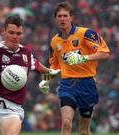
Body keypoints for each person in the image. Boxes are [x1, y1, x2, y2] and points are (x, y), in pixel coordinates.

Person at [0, 15, 59, 135]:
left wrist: (49, 72)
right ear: (4, 31)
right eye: (11, 32)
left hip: (12, 109)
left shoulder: (26, 53)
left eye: (18, 33)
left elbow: (35, 64)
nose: (15, 36)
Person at [39, 1, 110, 135]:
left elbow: (105, 53)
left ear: (72, 17)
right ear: (55, 19)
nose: (62, 19)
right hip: (67, 85)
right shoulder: (55, 41)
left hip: (87, 84)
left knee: (84, 131)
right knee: (66, 123)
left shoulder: (86, 33)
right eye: (59, 16)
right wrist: (46, 80)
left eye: (65, 16)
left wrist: (84, 58)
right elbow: (54, 66)